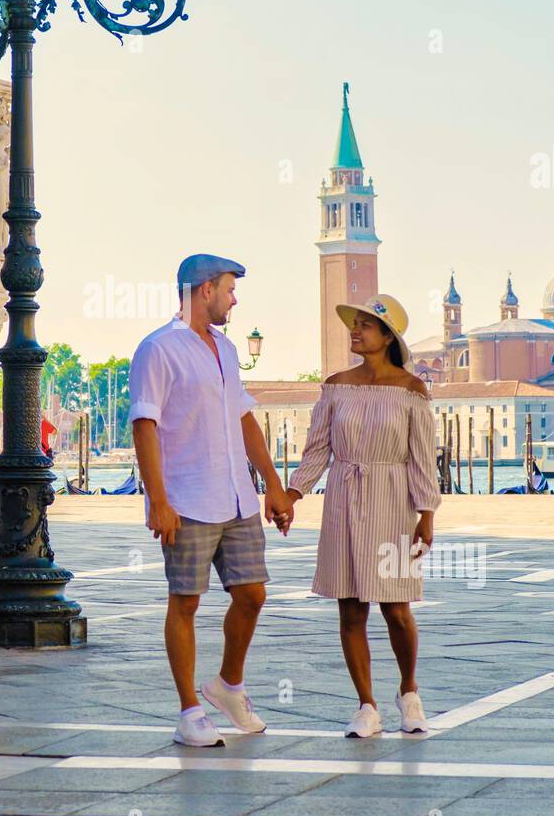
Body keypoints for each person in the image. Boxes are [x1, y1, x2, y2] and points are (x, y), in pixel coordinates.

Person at [129, 254, 293, 747]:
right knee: (185, 601)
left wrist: (273, 484)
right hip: (187, 497)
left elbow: (244, 419)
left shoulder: (224, 347)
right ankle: (188, 711)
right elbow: (144, 424)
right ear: (204, 290)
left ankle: (227, 684)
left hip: (237, 497)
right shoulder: (157, 349)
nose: (234, 299)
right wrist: (158, 500)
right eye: (229, 289)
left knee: (252, 595)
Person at [278, 295, 441, 738]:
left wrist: (426, 514)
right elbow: (317, 448)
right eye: (354, 324)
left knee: (397, 606)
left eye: (366, 325)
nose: (355, 330)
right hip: (344, 499)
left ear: (388, 337)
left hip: (394, 501)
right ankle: (366, 704)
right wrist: (292, 493)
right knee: (350, 608)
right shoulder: (335, 385)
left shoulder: (411, 389)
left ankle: (409, 691)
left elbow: (423, 458)